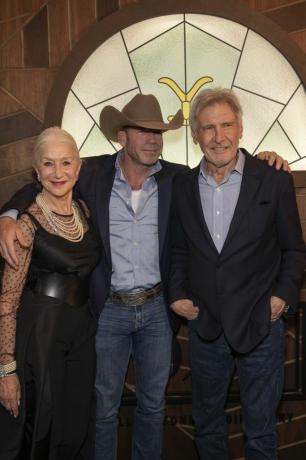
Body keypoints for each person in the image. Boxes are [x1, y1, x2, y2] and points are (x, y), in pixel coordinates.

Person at [0, 94, 289, 460]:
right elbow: (42, 180)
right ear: (121, 137)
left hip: (156, 309)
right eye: (143, 132)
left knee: (153, 406)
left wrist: (268, 158)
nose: (153, 140)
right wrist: (8, 214)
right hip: (108, 311)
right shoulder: (92, 175)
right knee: (103, 408)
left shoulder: (179, 180)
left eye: (159, 133)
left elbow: (232, 170)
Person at [168, 88, 305, 459]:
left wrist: (281, 298)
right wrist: (177, 293)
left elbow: (294, 249)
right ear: (195, 135)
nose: (219, 136)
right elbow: (178, 249)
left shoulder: (272, 178)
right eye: (209, 128)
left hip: (261, 323)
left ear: (241, 128)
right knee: (208, 425)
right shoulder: (181, 186)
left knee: (260, 431)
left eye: (227, 125)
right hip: (206, 326)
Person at [0, 127, 101, 460]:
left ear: (78, 166)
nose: (58, 173)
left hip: (82, 334)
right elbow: (7, 303)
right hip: (42, 339)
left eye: (66, 163)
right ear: (36, 171)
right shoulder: (25, 225)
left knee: (76, 428)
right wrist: (6, 370)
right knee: (44, 430)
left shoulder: (84, 211)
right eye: (48, 164)